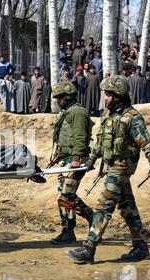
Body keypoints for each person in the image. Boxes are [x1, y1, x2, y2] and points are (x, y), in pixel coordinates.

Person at [66, 75, 150, 264]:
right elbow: (101, 141)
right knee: (128, 207)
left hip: (122, 168)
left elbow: (147, 144)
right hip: (110, 166)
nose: (106, 98)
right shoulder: (108, 114)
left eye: (109, 94)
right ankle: (141, 247)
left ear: (119, 95)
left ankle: (89, 249)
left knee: (103, 206)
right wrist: (91, 160)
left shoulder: (132, 118)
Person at [49, 81, 94, 244]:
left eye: (60, 98)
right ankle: (91, 217)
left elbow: (80, 138)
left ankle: (69, 231)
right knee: (67, 194)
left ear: (67, 97)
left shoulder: (78, 113)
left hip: (76, 161)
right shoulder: (67, 112)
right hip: (67, 160)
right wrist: (59, 155)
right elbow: (65, 137)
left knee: (66, 195)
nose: (58, 101)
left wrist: (75, 159)